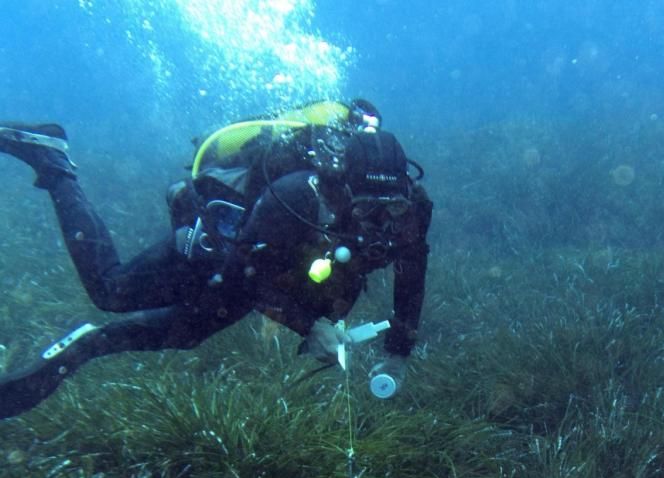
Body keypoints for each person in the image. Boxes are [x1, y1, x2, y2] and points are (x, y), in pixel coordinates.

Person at [0, 99, 432, 418]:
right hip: (227, 252)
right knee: (112, 291)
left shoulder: (414, 209)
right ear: (342, 190)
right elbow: (244, 276)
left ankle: (92, 344)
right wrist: (309, 325)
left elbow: (412, 273)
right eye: (366, 210)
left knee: (187, 333)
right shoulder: (298, 193)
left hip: (283, 268)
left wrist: (397, 353)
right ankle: (54, 161)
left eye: (390, 208)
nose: (380, 223)